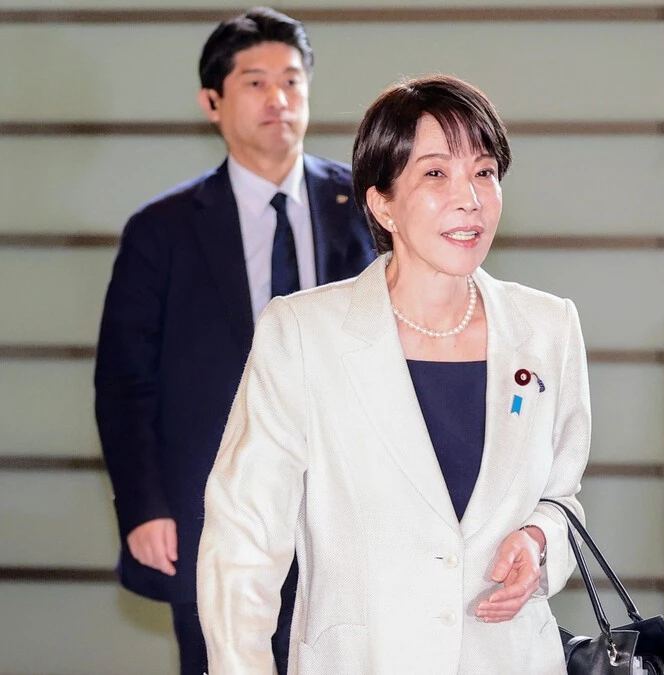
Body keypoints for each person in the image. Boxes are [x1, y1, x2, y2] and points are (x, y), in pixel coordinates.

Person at [196, 75, 591, 674]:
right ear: (383, 203)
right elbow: (243, 541)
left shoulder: (547, 328)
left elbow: (560, 498)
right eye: (436, 174)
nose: (470, 198)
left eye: (484, 172)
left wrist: (539, 541)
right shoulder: (304, 333)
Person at [93, 8, 375, 675]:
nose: (279, 98)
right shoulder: (161, 230)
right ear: (211, 102)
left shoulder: (369, 208)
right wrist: (146, 507)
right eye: (255, 82)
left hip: (349, 506)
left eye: (292, 80)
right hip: (214, 506)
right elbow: (126, 383)